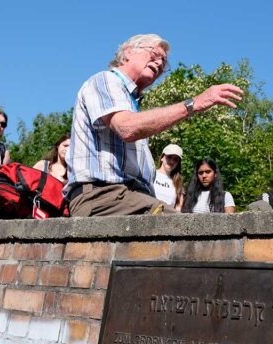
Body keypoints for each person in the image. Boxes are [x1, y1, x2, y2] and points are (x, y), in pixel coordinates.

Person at [65, 34, 243, 217]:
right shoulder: (105, 80)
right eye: (154, 54)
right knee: (189, 231)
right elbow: (126, 128)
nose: (159, 63)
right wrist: (193, 104)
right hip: (104, 196)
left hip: (130, 199)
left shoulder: (132, 101)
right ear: (128, 52)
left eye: (164, 62)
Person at [153, 144, 184, 211]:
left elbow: (178, 207)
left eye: (176, 159)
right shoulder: (151, 174)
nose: (172, 161)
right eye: (169, 157)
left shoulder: (178, 182)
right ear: (162, 157)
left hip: (169, 218)